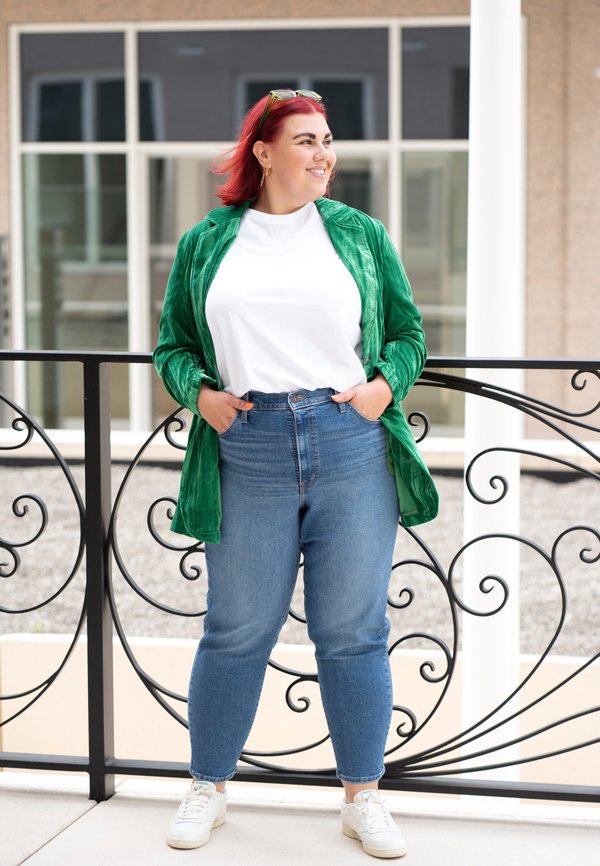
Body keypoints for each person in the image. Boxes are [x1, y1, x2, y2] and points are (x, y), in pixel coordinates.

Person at [153, 89, 438, 860]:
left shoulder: (358, 234)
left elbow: (408, 333)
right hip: (247, 446)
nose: (323, 154)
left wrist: (384, 388)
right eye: (306, 140)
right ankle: (207, 787)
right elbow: (172, 345)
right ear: (264, 151)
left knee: (353, 632)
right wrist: (199, 396)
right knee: (237, 629)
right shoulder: (209, 241)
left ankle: (363, 799)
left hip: (351, 445)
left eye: (328, 140)